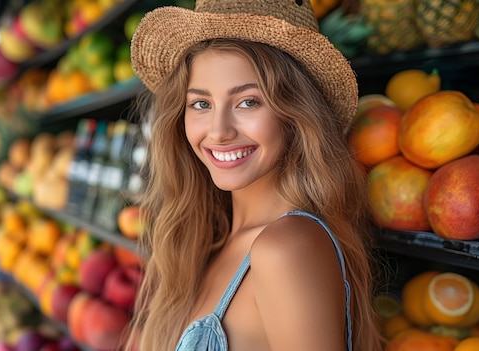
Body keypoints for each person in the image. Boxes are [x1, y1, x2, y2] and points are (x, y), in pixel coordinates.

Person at [126, 0, 384, 350]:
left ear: (295, 112)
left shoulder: (287, 249)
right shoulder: (210, 242)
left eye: (248, 101)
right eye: (201, 103)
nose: (218, 132)